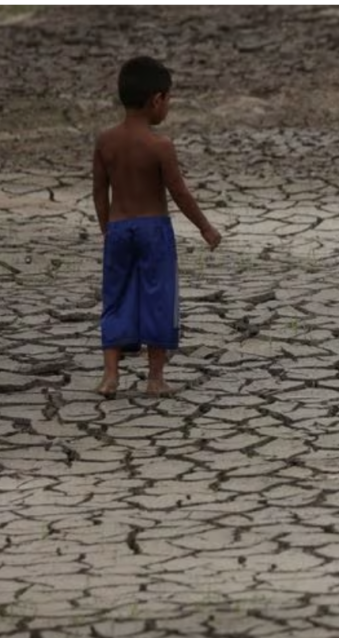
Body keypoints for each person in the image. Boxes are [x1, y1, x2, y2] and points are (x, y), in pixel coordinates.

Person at [92, 56, 222, 397]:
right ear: (156, 100)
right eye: (168, 99)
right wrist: (205, 228)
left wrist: (107, 229)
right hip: (154, 231)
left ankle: (110, 376)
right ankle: (155, 378)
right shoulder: (160, 145)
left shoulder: (105, 141)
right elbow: (179, 192)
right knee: (158, 298)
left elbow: (99, 192)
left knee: (116, 297)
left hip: (119, 229)